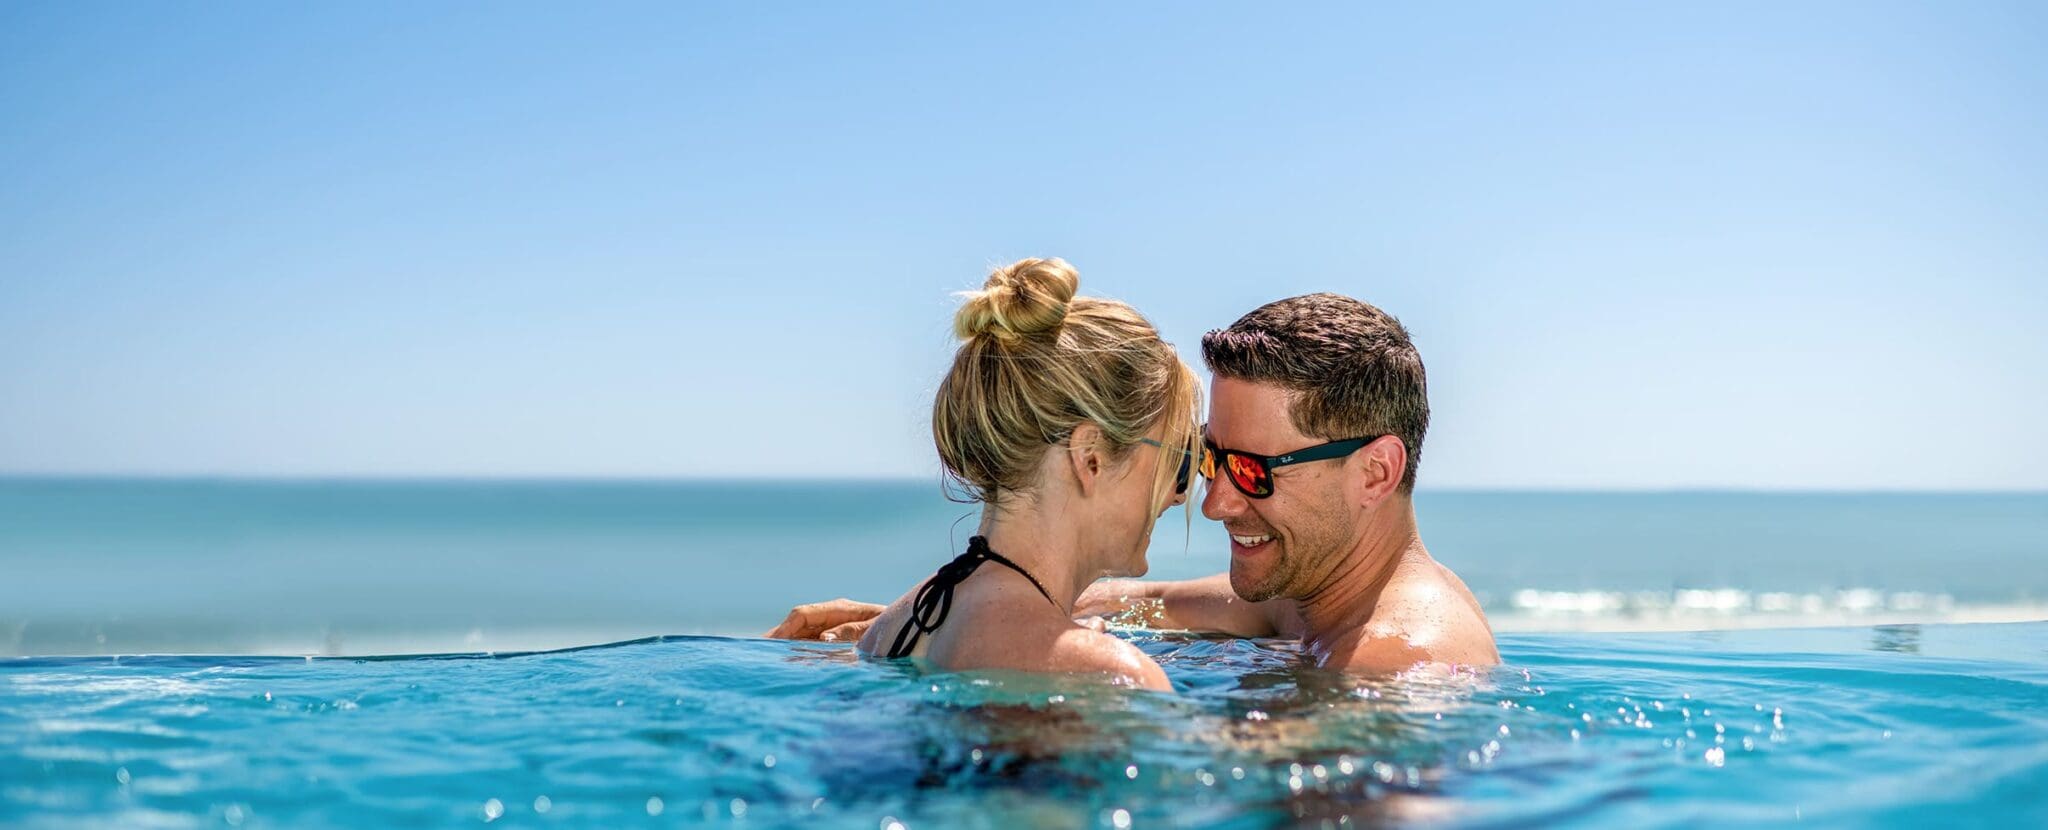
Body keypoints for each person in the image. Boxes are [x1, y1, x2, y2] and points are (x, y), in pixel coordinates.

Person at [769, 293, 1499, 674]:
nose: (1213, 503)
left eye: (1251, 472)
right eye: (1207, 460)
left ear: (1375, 471)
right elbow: (1136, 602)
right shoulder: (1302, 599)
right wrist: (950, 615)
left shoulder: (1393, 664)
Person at [821, 257, 1202, 691]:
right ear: (1090, 457)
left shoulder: (897, 625)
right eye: (1179, 458)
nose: (1176, 494)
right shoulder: (1110, 674)